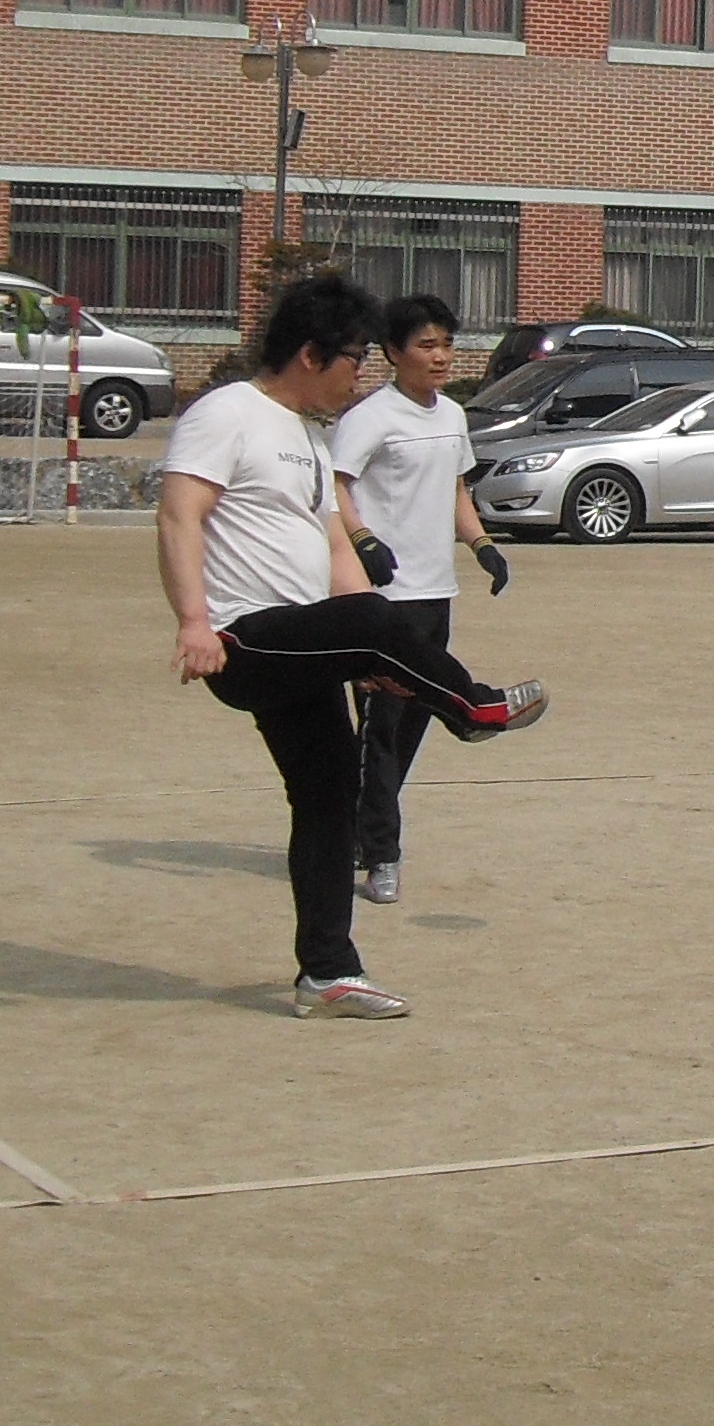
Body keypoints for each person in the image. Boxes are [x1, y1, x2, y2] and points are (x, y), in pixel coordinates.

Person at [157, 273, 549, 1020]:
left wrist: (367, 660)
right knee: (379, 620)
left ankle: (327, 973)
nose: (358, 377)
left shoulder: (305, 434)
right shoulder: (225, 414)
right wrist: (191, 622)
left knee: (329, 798)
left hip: (303, 643)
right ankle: (474, 709)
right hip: (245, 638)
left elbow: (333, 541)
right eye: (354, 359)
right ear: (312, 354)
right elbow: (180, 516)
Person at [332, 292, 512, 908]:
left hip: (436, 592)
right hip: (384, 598)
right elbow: (332, 486)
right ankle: (382, 854)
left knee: (411, 726)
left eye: (447, 344)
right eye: (426, 345)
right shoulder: (371, 417)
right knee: (381, 729)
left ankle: (362, 829)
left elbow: (456, 486)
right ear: (392, 353)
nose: (440, 357)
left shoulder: (451, 416)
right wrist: (361, 540)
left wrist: (482, 543)